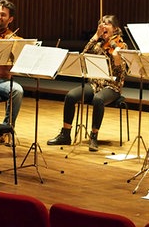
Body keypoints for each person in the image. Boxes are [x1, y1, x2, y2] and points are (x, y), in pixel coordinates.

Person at [47, 15, 128, 151]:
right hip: (94, 84)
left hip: (112, 87)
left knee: (98, 99)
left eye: (107, 24)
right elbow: (84, 55)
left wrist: (117, 59)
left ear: (115, 29)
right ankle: (65, 134)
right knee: (71, 96)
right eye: (101, 24)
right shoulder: (98, 45)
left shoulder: (121, 46)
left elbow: (121, 72)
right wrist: (96, 35)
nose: (103, 26)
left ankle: (94, 136)